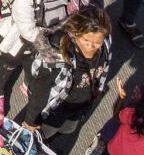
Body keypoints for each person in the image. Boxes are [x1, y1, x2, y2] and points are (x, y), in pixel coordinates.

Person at [19, 8, 113, 140]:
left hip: (80, 105)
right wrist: (30, 121)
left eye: (98, 43)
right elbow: (40, 91)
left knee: (68, 129)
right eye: (86, 41)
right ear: (75, 33)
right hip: (58, 109)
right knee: (42, 135)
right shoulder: (59, 56)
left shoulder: (105, 45)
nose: (91, 46)